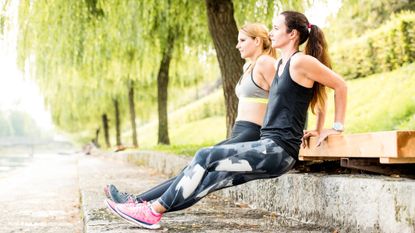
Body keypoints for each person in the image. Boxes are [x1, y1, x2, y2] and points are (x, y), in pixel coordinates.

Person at [105, 10, 347, 230]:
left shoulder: (301, 61)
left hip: (278, 151)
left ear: (292, 33)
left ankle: (150, 212)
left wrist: (334, 128)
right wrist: (313, 129)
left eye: (275, 28)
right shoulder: (283, 63)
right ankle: (146, 208)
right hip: (269, 146)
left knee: (203, 157)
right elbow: (315, 95)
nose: (271, 32)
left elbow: (339, 85)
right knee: (208, 179)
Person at [104, 23, 278, 206]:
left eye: (242, 40)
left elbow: (283, 100)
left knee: (196, 172)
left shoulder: (266, 63)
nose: (237, 45)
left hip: (252, 132)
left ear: (257, 41)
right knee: (193, 172)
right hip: (240, 131)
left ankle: (138, 202)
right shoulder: (248, 67)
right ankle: (140, 202)